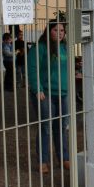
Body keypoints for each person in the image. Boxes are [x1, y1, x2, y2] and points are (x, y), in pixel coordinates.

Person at [27, 20, 70, 174]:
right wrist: (37, 88)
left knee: (61, 126)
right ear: (48, 31)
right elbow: (32, 69)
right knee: (46, 127)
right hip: (45, 93)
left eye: (62, 30)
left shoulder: (65, 47)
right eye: (55, 30)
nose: (59, 33)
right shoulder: (40, 47)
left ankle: (64, 158)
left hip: (63, 93)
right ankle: (43, 161)